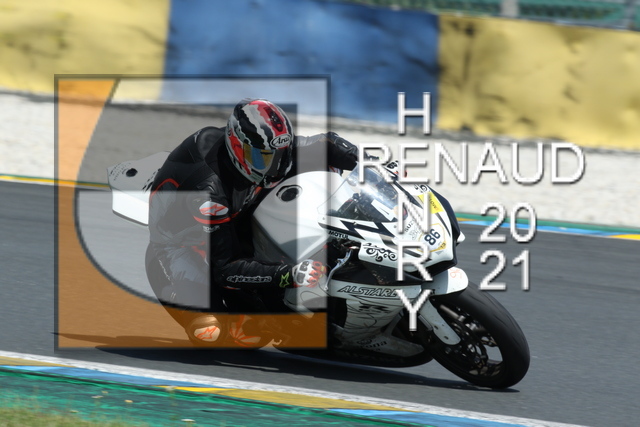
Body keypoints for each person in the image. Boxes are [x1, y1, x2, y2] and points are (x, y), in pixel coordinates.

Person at [146, 98, 358, 346]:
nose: (275, 167)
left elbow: (325, 143)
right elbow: (226, 269)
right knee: (215, 333)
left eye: (281, 155)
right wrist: (288, 274)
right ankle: (180, 293)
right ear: (238, 147)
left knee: (322, 165)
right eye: (264, 158)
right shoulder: (209, 193)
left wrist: (369, 162)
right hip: (184, 243)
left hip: (238, 209)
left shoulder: (262, 149)